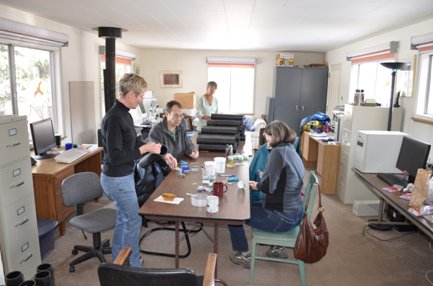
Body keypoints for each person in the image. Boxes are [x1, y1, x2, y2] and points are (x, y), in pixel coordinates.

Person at [100, 73, 162, 267]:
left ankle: (119, 259)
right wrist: (144, 149)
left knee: (123, 217)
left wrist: (157, 149)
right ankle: (133, 265)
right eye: (140, 96)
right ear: (131, 94)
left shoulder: (125, 114)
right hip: (116, 179)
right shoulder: (113, 118)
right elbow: (115, 156)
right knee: (133, 219)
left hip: (123, 176)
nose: (142, 99)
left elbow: (135, 142)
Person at [228, 120, 305, 268]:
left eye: (267, 138)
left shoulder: (277, 153)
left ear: (275, 136)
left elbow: (269, 188)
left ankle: (241, 253)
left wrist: (258, 185)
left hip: (282, 218)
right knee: (249, 206)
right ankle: (276, 248)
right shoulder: (291, 150)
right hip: (296, 214)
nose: (266, 143)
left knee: (235, 214)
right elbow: (286, 180)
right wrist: (267, 179)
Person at [148, 100, 199, 165]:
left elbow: (188, 143)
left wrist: (193, 150)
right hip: (164, 169)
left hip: (178, 164)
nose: (179, 119)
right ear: (166, 114)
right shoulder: (156, 131)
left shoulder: (181, 128)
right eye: (175, 115)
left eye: (181, 115)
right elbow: (156, 152)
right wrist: (165, 156)